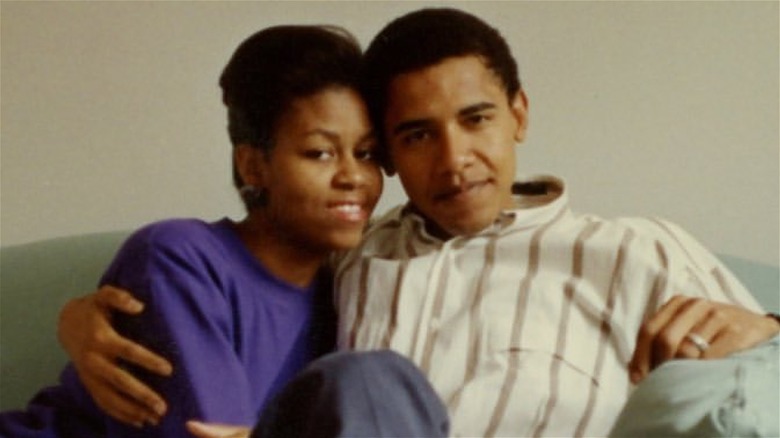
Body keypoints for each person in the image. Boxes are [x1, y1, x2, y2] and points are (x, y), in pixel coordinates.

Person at [55, 7, 780, 438]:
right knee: (368, 379)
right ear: (395, 158)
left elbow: (762, 365)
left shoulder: (632, 246)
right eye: (417, 135)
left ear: (519, 114)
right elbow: (225, 276)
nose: (455, 159)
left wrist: (771, 329)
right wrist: (81, 316)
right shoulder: (358, 250)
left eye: (477, 119)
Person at [0, 24, 449, 438]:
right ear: (253, 165)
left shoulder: (350, 289)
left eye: (367, 153)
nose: (353, 176)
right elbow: (208, 431)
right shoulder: (178, 258)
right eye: (319, 153)